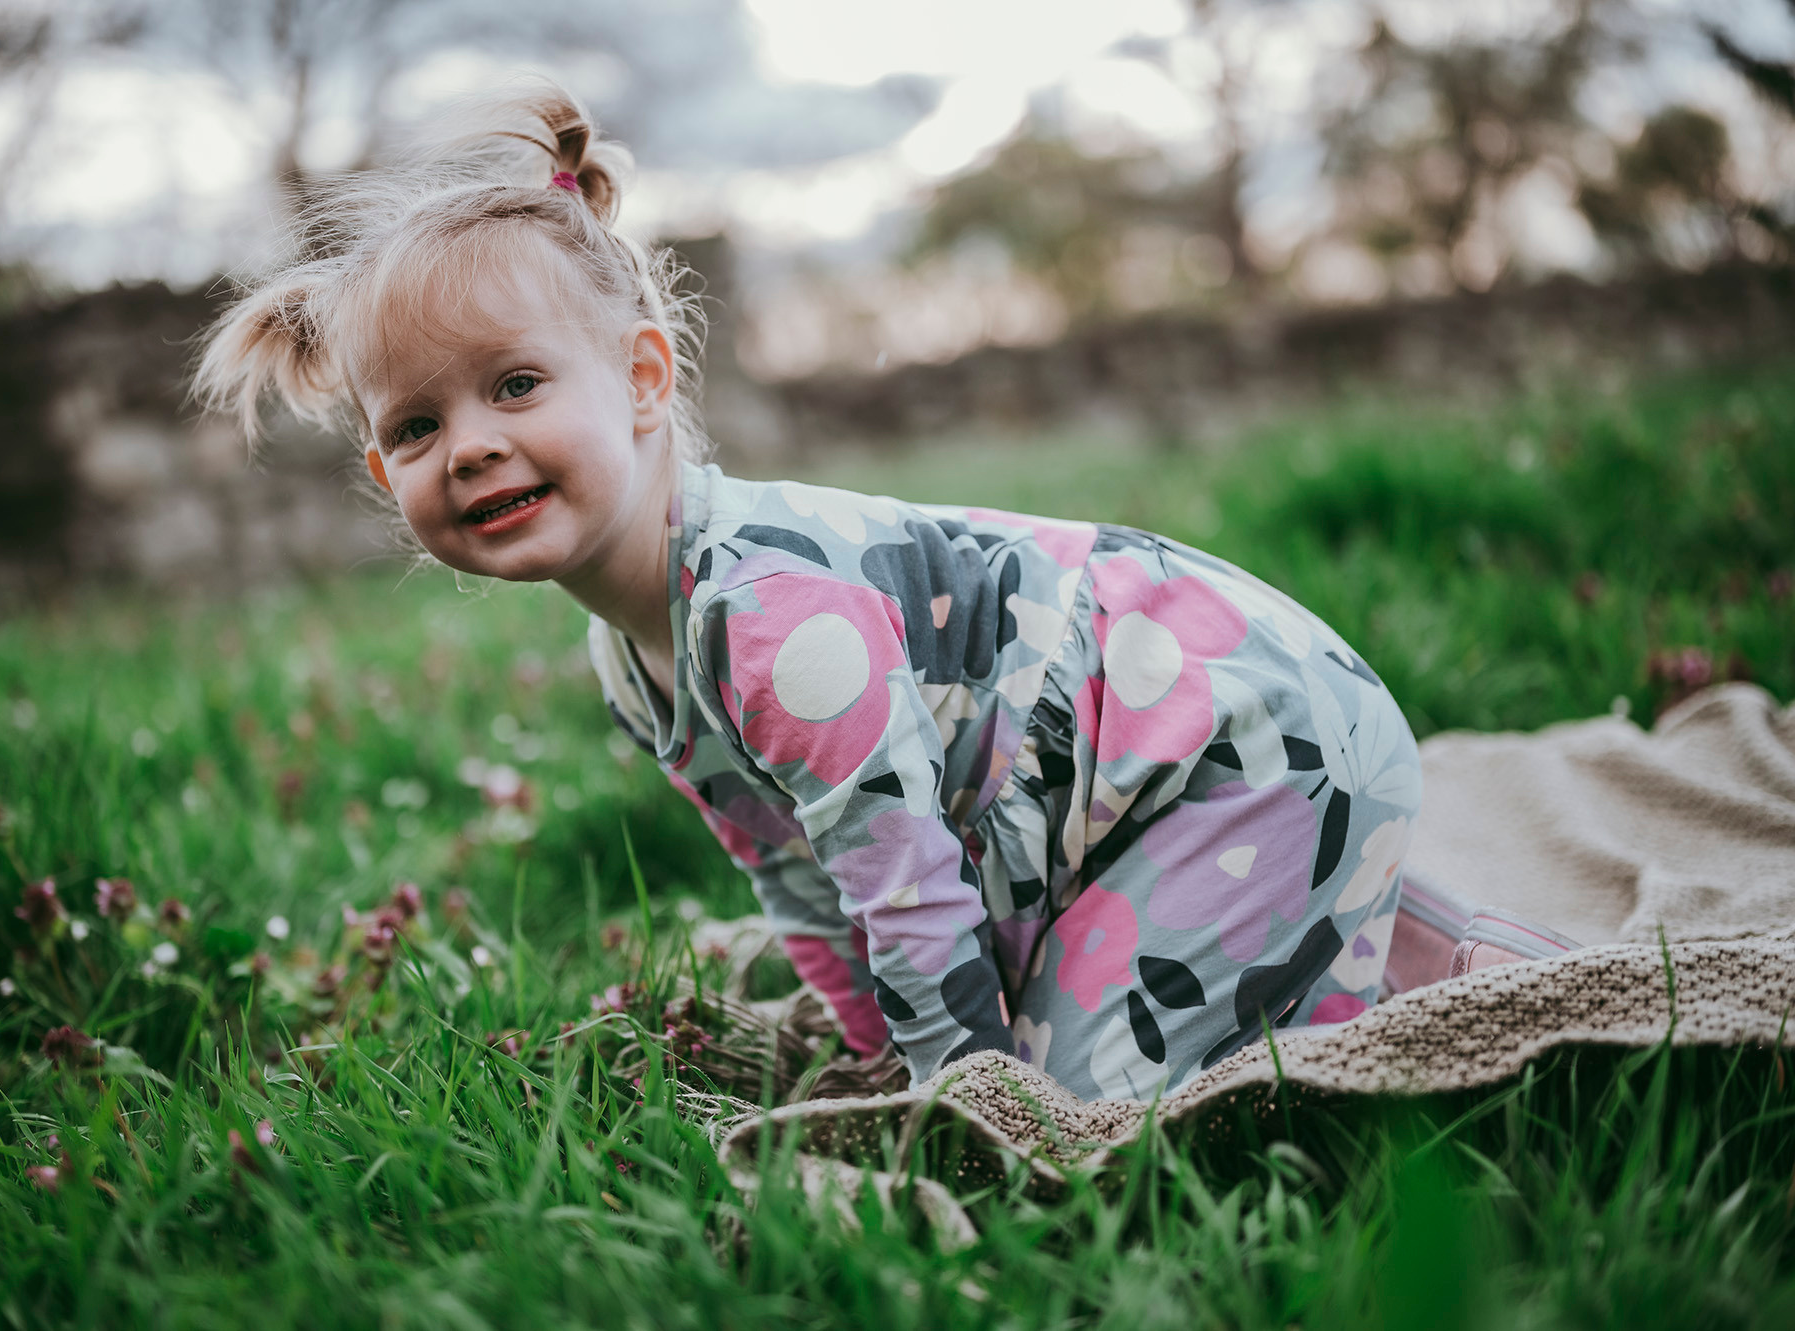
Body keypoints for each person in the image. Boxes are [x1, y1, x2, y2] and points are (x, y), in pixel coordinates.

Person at [193, 79, 1420, 1100]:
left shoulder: (770, 620)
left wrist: (958, 1103)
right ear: (379, 470)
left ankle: (1408, 942)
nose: (466, 444)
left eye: (514, 385)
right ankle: (1324, 933)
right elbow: (798, 871)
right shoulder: (632, 650)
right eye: (415, 425)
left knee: (1073, 1120)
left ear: (639, 377)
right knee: (1012, 1040)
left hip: (1243, 743)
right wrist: (876, 1056)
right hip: (1105, 802)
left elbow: (908, 891)